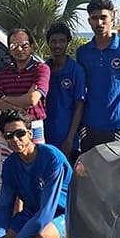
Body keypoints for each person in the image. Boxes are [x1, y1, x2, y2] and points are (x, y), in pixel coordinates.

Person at [0, 109, 72, 238]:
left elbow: (46, 212)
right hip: (33, 211)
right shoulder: (10, 165)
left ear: (30, 133)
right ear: (4, 138)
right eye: (9, 135)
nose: (15, 140)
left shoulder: (51, 158)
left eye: (20, 133)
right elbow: (4, 208)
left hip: (63, 213)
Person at [76, 0, 120, 153]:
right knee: (88, 170)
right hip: (89, 125)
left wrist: (117, 109)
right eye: (94, 18)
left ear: (112, 18)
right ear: (89, 20)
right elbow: (83, 87)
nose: (99, 23)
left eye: (103, 17)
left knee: (118, 173)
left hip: (118, 127)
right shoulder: (83, 53)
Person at [0, 28, 50, 160]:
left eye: (24, 45)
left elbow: (32, 100)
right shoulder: (4, 73)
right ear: (10, 49)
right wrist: (23, 101)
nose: (19, 49)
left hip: (33, 128)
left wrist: (5, 98)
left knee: (35, 167)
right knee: (9, 168)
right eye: (14, 46)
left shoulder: (41, 69)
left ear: (32, 47)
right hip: (8, 128)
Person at [44, 22, 85, 165]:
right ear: (48, 43)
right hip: (44, 135)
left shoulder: (76, 71)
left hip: (66, 138)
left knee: (66, 179)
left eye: (61, 41)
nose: (57, 45)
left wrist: (69, 139)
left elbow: (79, 107)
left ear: (68, 43)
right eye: (53, 41)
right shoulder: (43, 69)